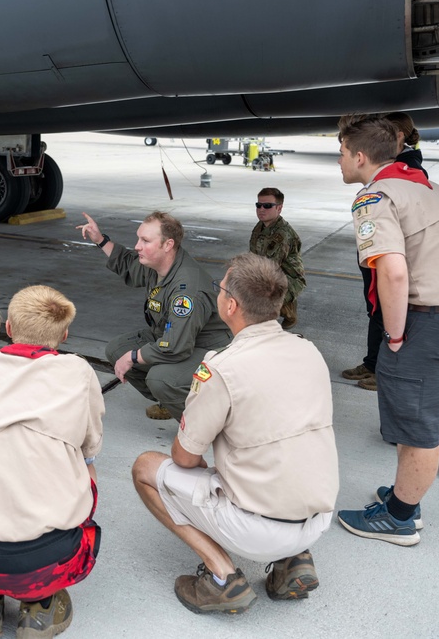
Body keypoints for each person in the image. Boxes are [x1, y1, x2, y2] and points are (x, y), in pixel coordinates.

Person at [132, 253, 338, 614]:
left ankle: (221, 576)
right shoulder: (308, 350)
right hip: (318, 519)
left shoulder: (222, 367)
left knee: (146, 468)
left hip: (257, 529)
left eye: (220, 289)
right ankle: (293, 560)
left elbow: (184, 457)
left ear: (230, 305)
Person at [335, 114, 439, 547]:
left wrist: (396, 336)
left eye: (343, 154)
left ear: (360, 156)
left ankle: (401, 518)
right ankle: (405, 496)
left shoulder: (375, 196)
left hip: (430, 319)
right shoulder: (428, 187)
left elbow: (394, 273)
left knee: (417, 423)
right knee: (417, 411)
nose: (341, 162)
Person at [0, 285, 103, 638]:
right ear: (64, 334)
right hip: (43, 561)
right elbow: (90, 447)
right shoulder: (79, 372)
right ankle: (40, 606)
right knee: (86, 469)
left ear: (8, 328)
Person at [77, 211, 231, 421]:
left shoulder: (186, 291)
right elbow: (127, 264)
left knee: (160, 379)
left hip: (208, 349)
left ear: (167, 245)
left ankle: (203, 425)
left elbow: (177, 345)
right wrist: (100, 239)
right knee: (116, 349)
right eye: (138, 238)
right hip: (179, 337)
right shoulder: (158, 264)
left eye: (145, 240)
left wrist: (133, 357)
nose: (137, 246)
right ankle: (172, 400)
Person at [341, 111, 428, 391]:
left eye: (344, 153)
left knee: (387, 312)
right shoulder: (401, 170)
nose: (340, 160)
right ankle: (373, 362)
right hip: (380, 259)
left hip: (389, 261)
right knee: (375, 310)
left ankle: (385, 370)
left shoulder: (405, 171)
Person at [248, 187, 305, 329]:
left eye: (267, 206)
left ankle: (287, 308)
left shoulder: (282, 235)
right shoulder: (260, 227)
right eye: (258, 205)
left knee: (261, 302)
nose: (261, 209)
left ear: (279, 208)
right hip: (271, 273)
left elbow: (269, 268)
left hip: (289, 279)